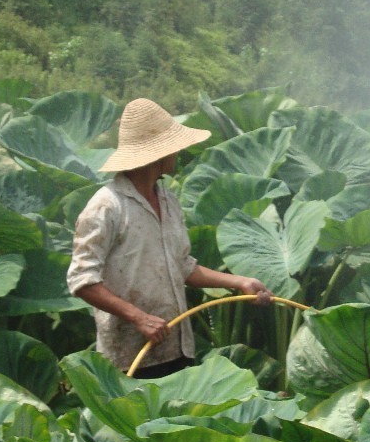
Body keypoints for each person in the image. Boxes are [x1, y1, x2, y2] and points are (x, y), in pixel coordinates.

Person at [67, 97, 272, 376]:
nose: (179, 152)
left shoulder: (168, 199)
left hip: (176, 345)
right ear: (157, 154)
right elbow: (82, 280)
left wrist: (240, 282)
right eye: (174, 147)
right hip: (130, 356)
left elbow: (183, 266)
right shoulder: (106, 206)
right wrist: (138, 317)